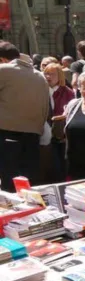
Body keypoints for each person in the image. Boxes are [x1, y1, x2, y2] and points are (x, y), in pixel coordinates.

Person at [0, 41, 50, 190]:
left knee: (9, 181)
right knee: (29, 182)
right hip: (33, 135)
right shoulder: (40, 76)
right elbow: (46, 109)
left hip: (6, 133)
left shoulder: (3, 70)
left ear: (2, 59)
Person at [43, 62, 75, 181]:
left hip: (62, 133)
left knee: (62, 162)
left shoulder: (68, 92)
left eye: (52, 74)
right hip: (44, 131)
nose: (48, 77)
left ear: (60, 76)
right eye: (46, 73)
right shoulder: (42, 90)